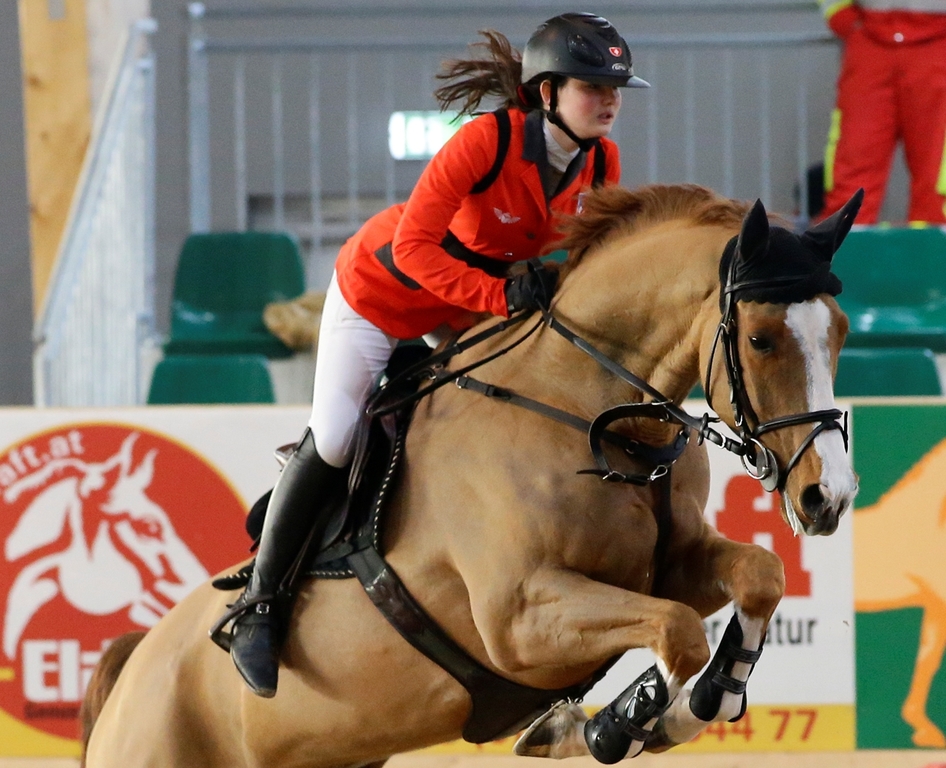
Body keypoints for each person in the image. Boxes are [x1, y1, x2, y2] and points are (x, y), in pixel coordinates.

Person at [212, 12, 649, 698]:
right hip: (378, 295)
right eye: (593, 85)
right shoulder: (485, 142)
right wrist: (502, 295)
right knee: (334, 437)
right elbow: (415, 249)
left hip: (461, 307)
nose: (610, 99)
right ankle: (258, 608)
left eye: (615, 87)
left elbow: (575, 253)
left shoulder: (602, 161)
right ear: (545, 93)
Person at [817, 0, 946, 224]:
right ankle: (847, 254)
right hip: (869, 39)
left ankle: (932, 255)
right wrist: (841, 16)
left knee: (937, 176)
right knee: (853, 167)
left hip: (937, 43)